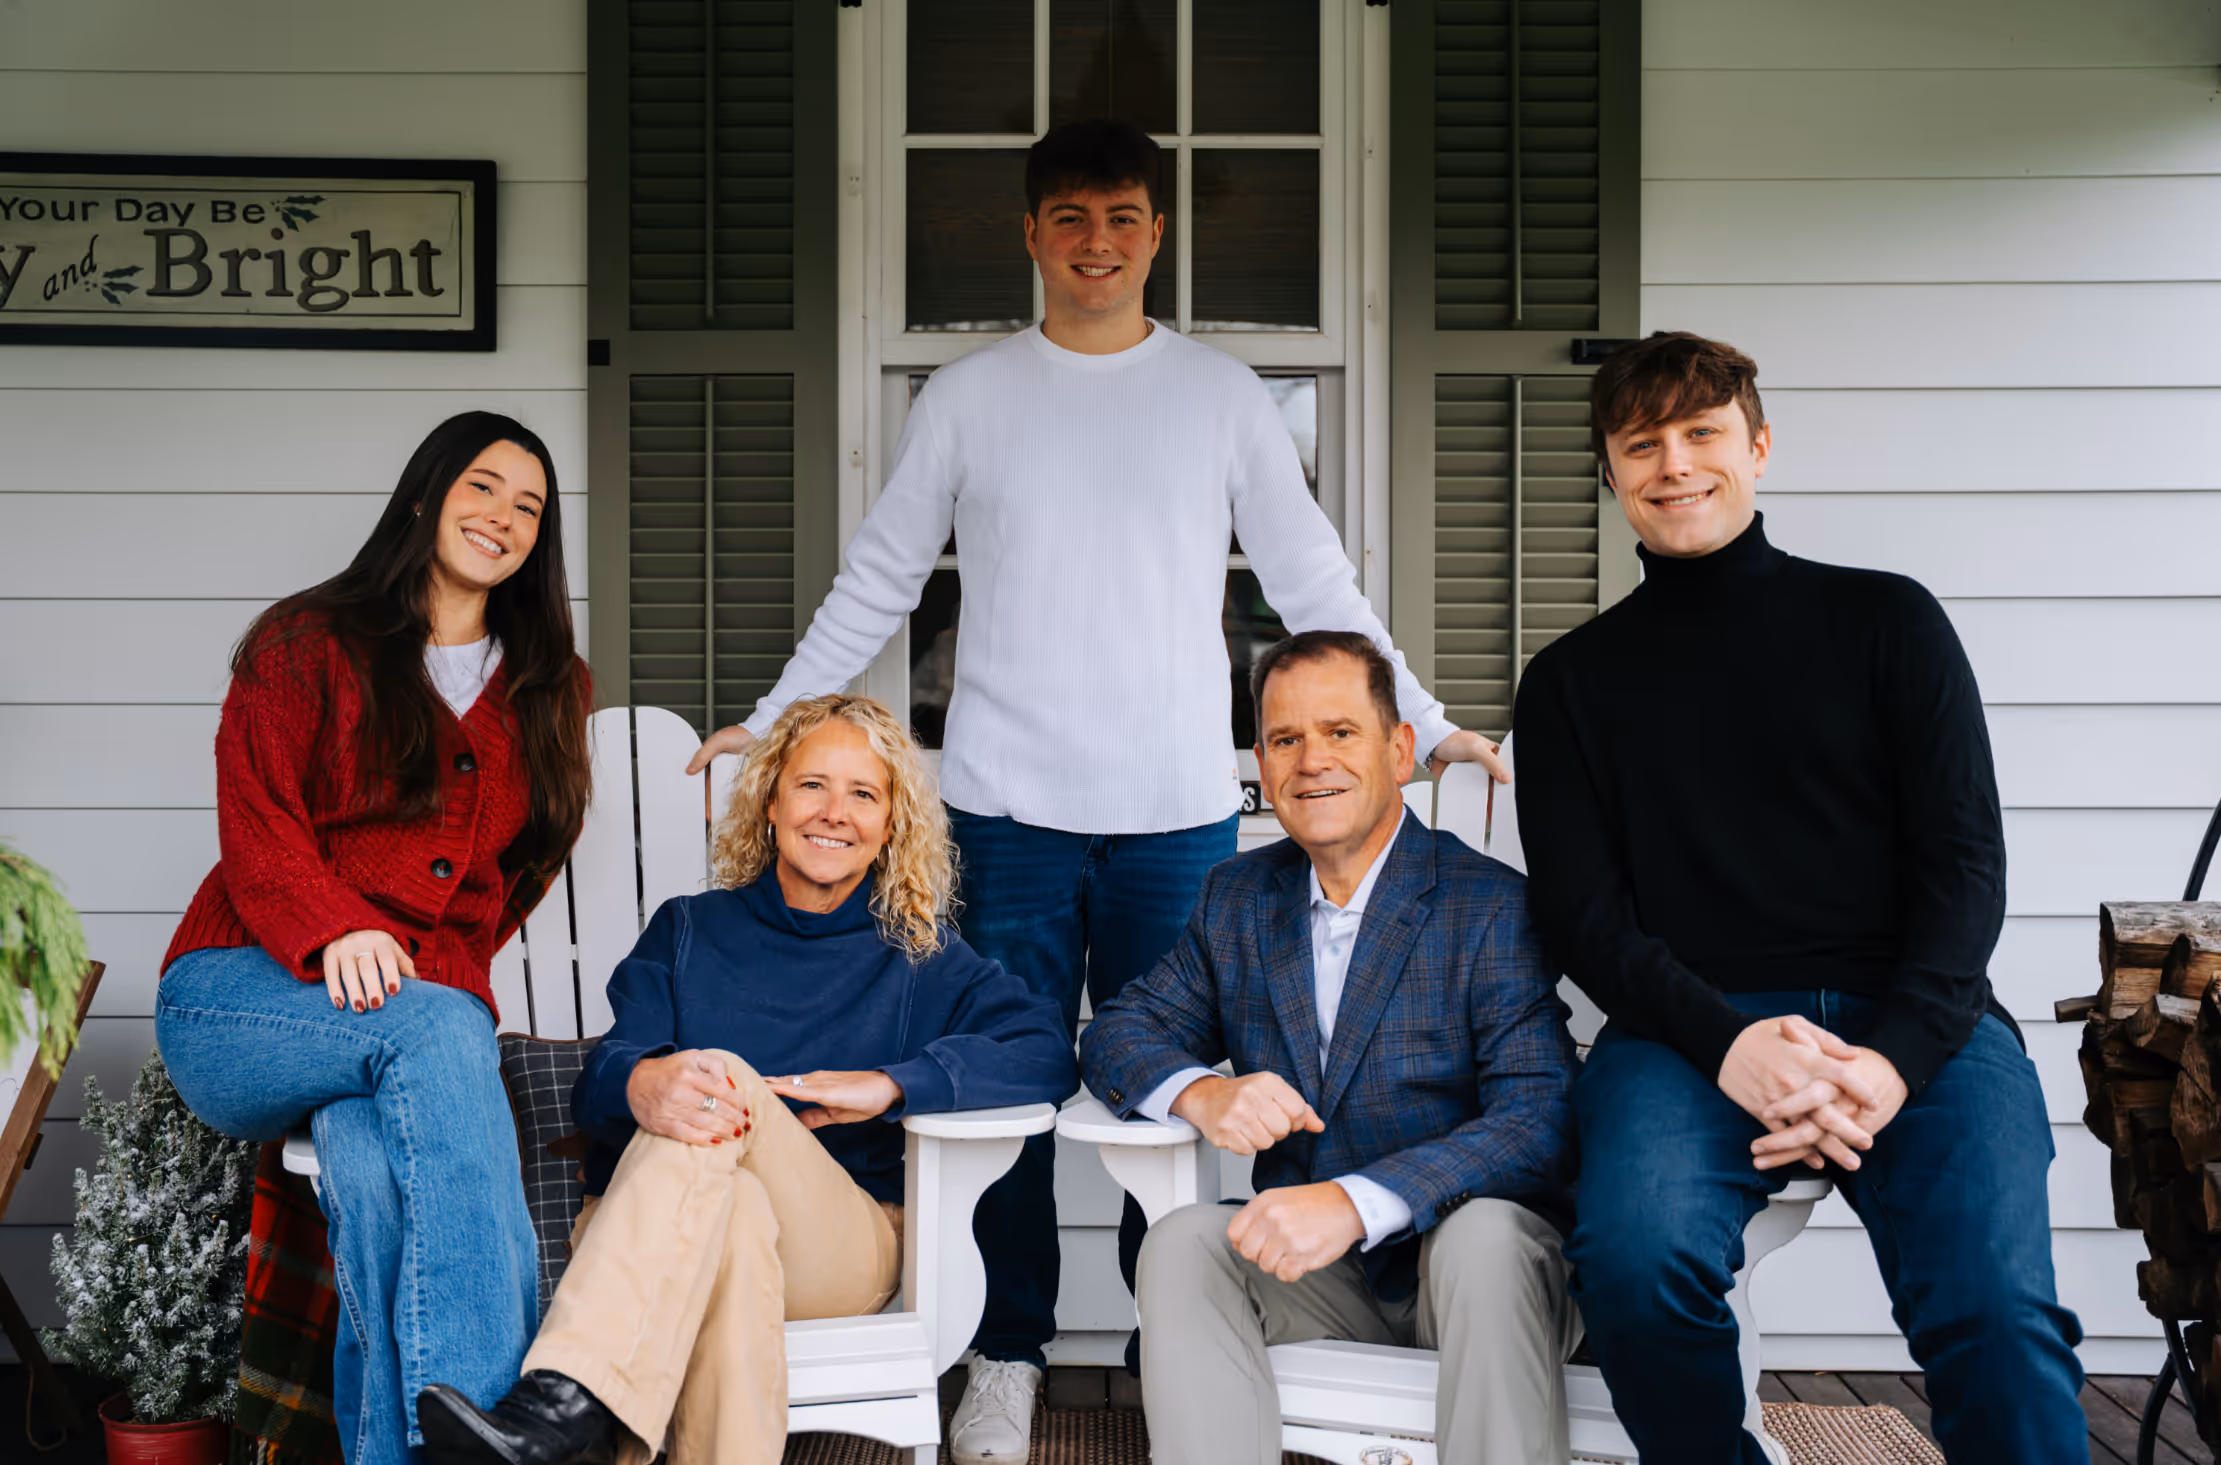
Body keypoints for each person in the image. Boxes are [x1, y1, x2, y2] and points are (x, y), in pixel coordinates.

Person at [683, 117, 1507, 1461]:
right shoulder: (967, 397)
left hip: (1177, 811)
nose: (1097, 241)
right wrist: (775, 717)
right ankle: (1005, 1349)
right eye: (1069, 216)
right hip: (1003, 812)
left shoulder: (1222, 397)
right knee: (1000, 1090)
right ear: (1030, 233)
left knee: (1165, 1092)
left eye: (1122, 216)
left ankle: (1162, 1345)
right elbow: (882, 573)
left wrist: (1425, 716)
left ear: (1156, 233)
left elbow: (1311, 579)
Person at [1513, 332, 2085, 1462]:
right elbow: (1585, 919)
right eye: (1642, 443)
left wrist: (1891, 1062)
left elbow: (1965, 868)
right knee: (1632, 1267)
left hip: (1918, 1023)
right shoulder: (1570, 682)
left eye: (1702, 432)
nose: (1675, 464)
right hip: (1687, 1037)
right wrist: (1729, 1046)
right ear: (1610, 471)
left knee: (1995, 1312)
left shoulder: (1888, 621)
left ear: (1759, 446)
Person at [416, 694, 1076, 1465]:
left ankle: (564, 1397)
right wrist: (640, 1082)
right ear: (770, 801)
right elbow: (602, 1079)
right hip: (655, 1231)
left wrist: (893, 1083)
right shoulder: (688, 928)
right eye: (811, 785)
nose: (834, 812)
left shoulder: (919, 954)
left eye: (863, 794)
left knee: (717, 1079)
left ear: (891, 824)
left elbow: (1044, 1048)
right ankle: (569, 1414)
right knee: (730, 1210)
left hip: (837, 1246)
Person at [154, 412, 592, 1465]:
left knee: (375, 1174)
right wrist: (338, 925)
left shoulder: (551, 684)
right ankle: (490, 1418)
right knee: (445, 1029)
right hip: (239, 995)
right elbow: (256, 824)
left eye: (529, 506)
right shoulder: (306, 641)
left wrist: (429, 968)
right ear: (425, 495)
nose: (502, 516)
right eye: (482, 487)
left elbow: (528, 859)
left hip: (390, 1029)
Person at [1080, 630, 1580, 1465]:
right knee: (1182, 1247)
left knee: (1482, 1238)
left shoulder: (1488, 906)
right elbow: (1118, 1031)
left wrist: (1356, 1200)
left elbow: (1539, 1115)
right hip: (1329, 1281)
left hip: (1483, 1277)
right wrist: (1204, 1093)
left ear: (1399, 750)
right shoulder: (1239, 897)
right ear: (1261, 763)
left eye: (1340, 732)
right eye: (1285, 739)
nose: (1311, 760)